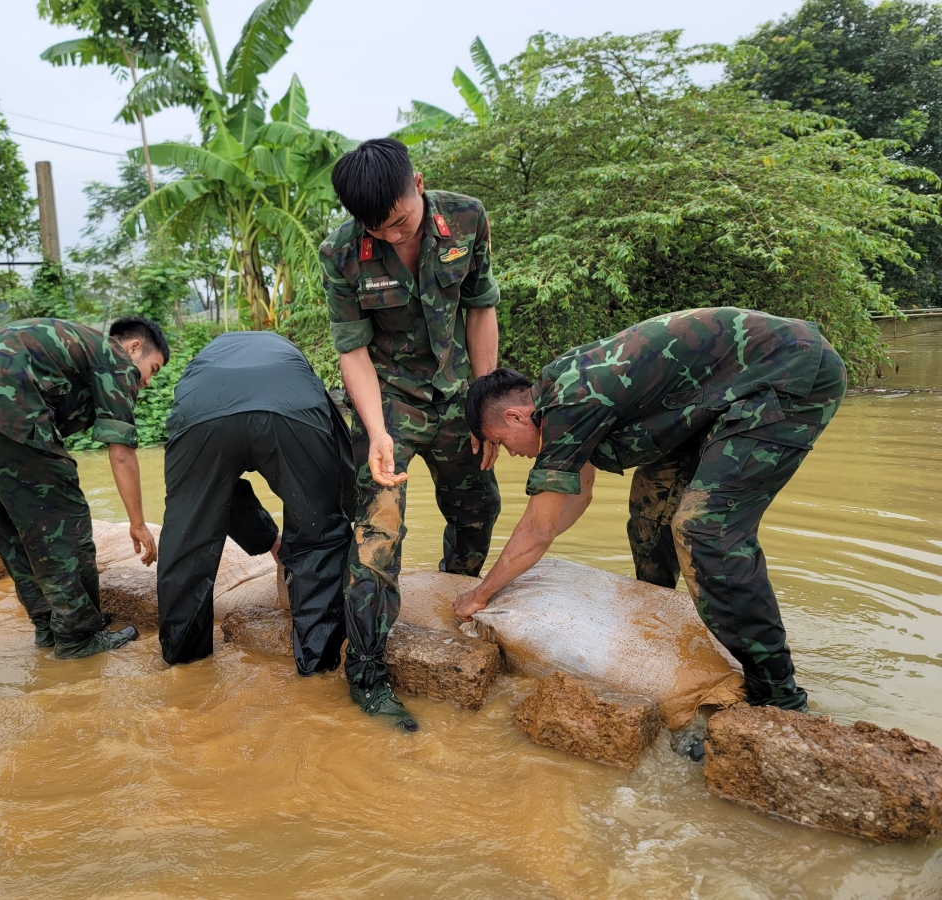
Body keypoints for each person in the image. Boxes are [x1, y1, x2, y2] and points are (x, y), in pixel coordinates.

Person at [458, 307, 848, 712]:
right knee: (650, 515)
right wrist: (531, 548)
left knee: (704, 531)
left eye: (503, 442)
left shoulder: (569, 404)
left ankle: (778, 698)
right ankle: (663, 625)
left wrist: (480, 593)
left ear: (516, 416)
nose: (511, 453)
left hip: (785, 373)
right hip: (715, 395)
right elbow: (578, 496)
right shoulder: (561, 391)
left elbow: (537, 531)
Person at [320, 138, 502, 731]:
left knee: (478, 506)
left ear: (418, 185)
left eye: (401, 221)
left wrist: (485, 404)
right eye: (380, 230)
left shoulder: (468, 217)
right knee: (378, 534)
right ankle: (367, 672)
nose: (395, 237)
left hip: (456, 396)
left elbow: (480, 309)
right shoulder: (341, 251)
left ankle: (459, 605)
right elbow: (352, 350)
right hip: (388, 400)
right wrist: (375, 432)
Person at [0, 317, 168, 659]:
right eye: (152, 369)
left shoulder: (78, 347)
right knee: (64, 519)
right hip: (4, 406)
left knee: (10, 529)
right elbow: (122, 453)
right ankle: (78, 637)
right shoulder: (115, 360)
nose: (146, 381)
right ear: (134, 348)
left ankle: (49, 626)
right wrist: (139, 524)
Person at [157, 331, 355, 676]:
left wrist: (266, 540)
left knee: (187, 540)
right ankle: (317, 669)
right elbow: (341, 463)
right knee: (318, 534)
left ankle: (184, 666)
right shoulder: (295, 365)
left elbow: (218, 496)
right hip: (291, 409)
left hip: (199, 414)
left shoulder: (202, 364)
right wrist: (347, 520)